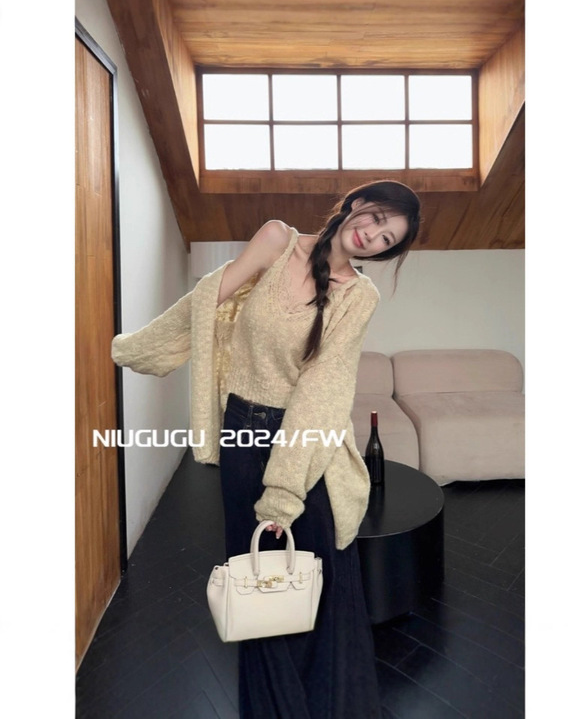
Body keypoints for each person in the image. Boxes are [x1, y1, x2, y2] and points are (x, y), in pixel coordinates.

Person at [111, 179, 421, 719]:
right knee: (259, 583)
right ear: (356, 204)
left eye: (386, 239)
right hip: (241, 434)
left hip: (304, 449)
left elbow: (322, 387)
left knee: (318, 584)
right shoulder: (277, 241)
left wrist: (283, 491)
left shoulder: (358, 296)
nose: (372, 236)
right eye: (375, 219)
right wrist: (138, 348)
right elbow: (207, 301)